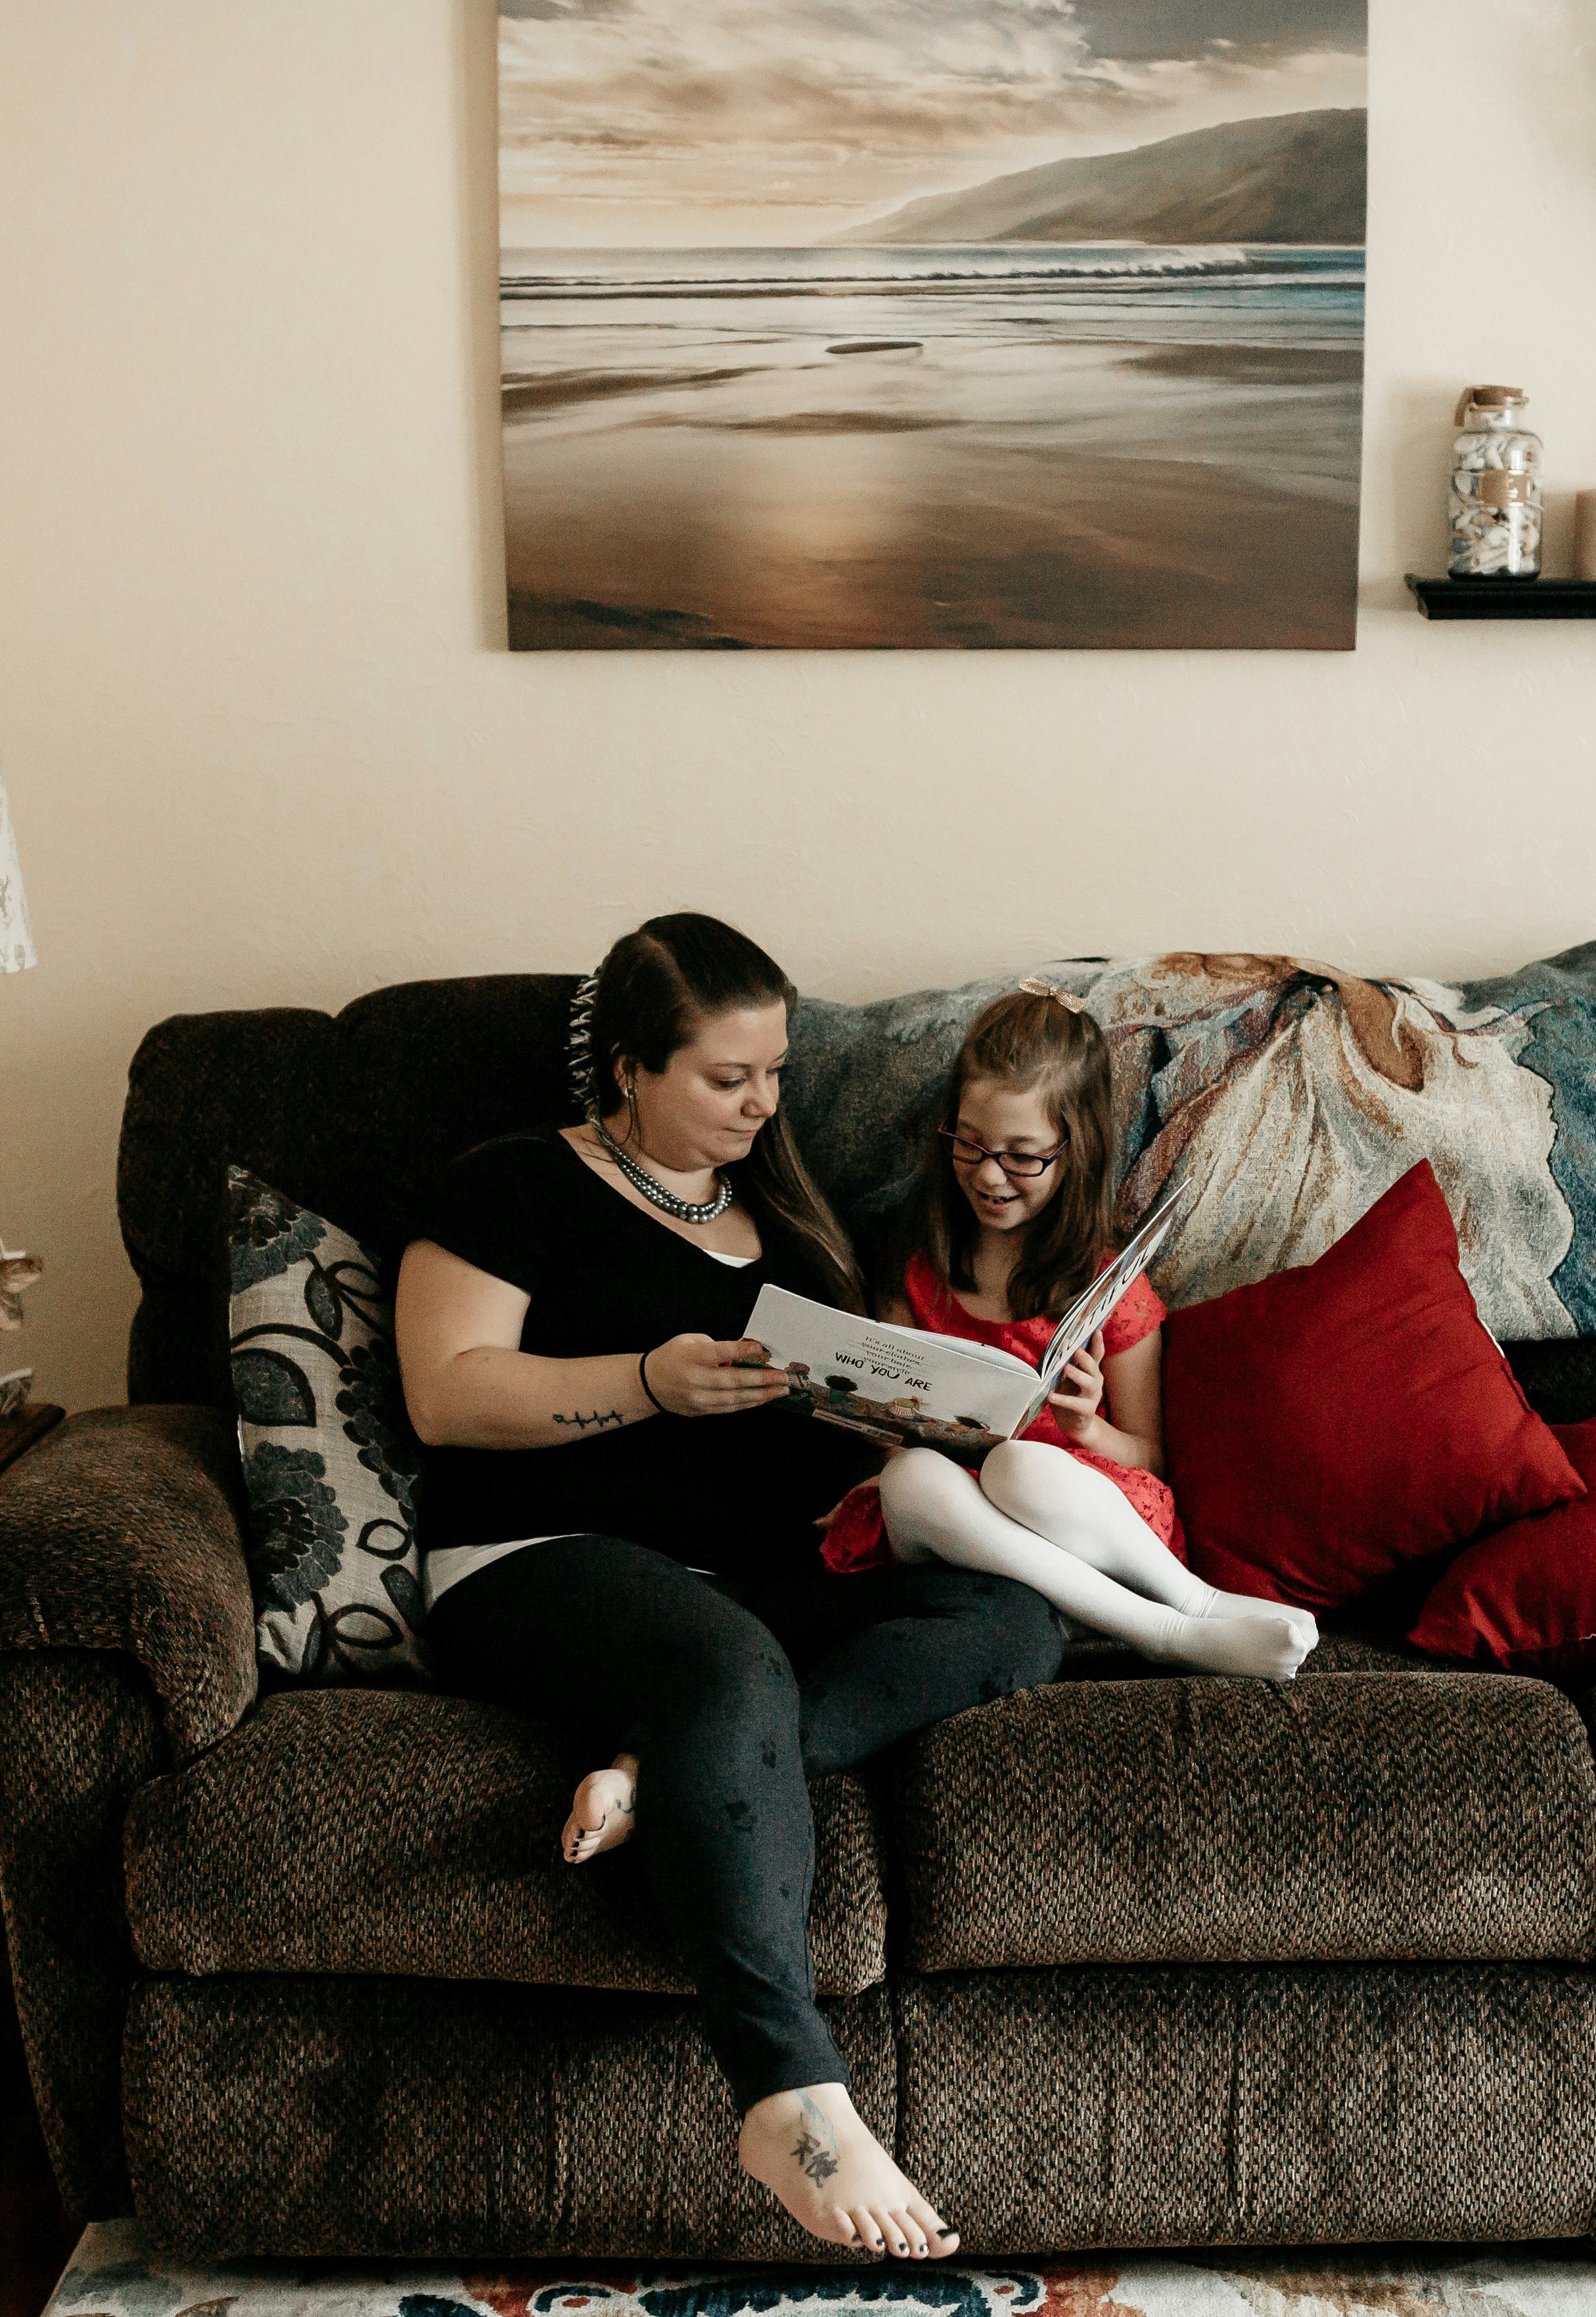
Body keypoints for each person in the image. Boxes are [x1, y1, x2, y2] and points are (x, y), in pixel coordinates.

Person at [399, 914, 1060, 2262]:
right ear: (630, 1068)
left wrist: (937, 1421)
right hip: (536, 1562)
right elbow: (447, 1394)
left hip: (756, 1585)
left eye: (774, 1073)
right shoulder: (511, 1183)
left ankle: (666, 1770)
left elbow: (843, 1412)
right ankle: (787, 2099)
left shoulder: (793, 1218)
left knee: (1007, 1616)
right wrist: (648, 1380)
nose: (763, 1106)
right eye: (725, 1079)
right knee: (726, 1667)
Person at [817, 979, 1316, 1679]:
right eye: (970, 1144)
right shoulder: (916, 1270)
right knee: (908, 1479)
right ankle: (1169, 1628)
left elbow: (1153, 1458)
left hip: (1083, 1529)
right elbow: (891, 1426)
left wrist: (1089, 1432)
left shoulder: (1110, 1287)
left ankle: (1192, 1607)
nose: (990, 1176)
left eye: (1022, 1155)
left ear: (1073, 1150)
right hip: (962, 1540)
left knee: (1020, 1464)